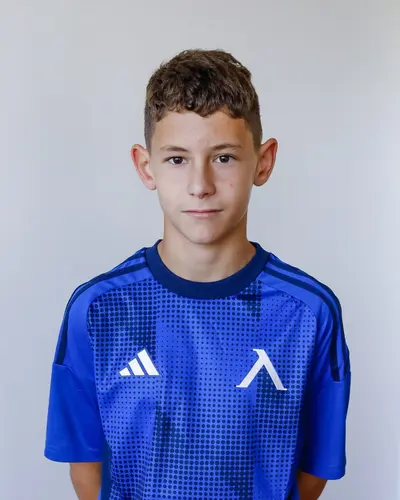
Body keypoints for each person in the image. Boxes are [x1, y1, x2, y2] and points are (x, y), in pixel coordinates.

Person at [44, 48, 351, 500]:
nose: (200, 185)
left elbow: (312, 470)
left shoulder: (308, 312)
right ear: (145, 166)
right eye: (177, 159)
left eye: (224, 157)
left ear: (263, 161)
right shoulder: (98, 310)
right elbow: (86, 462)